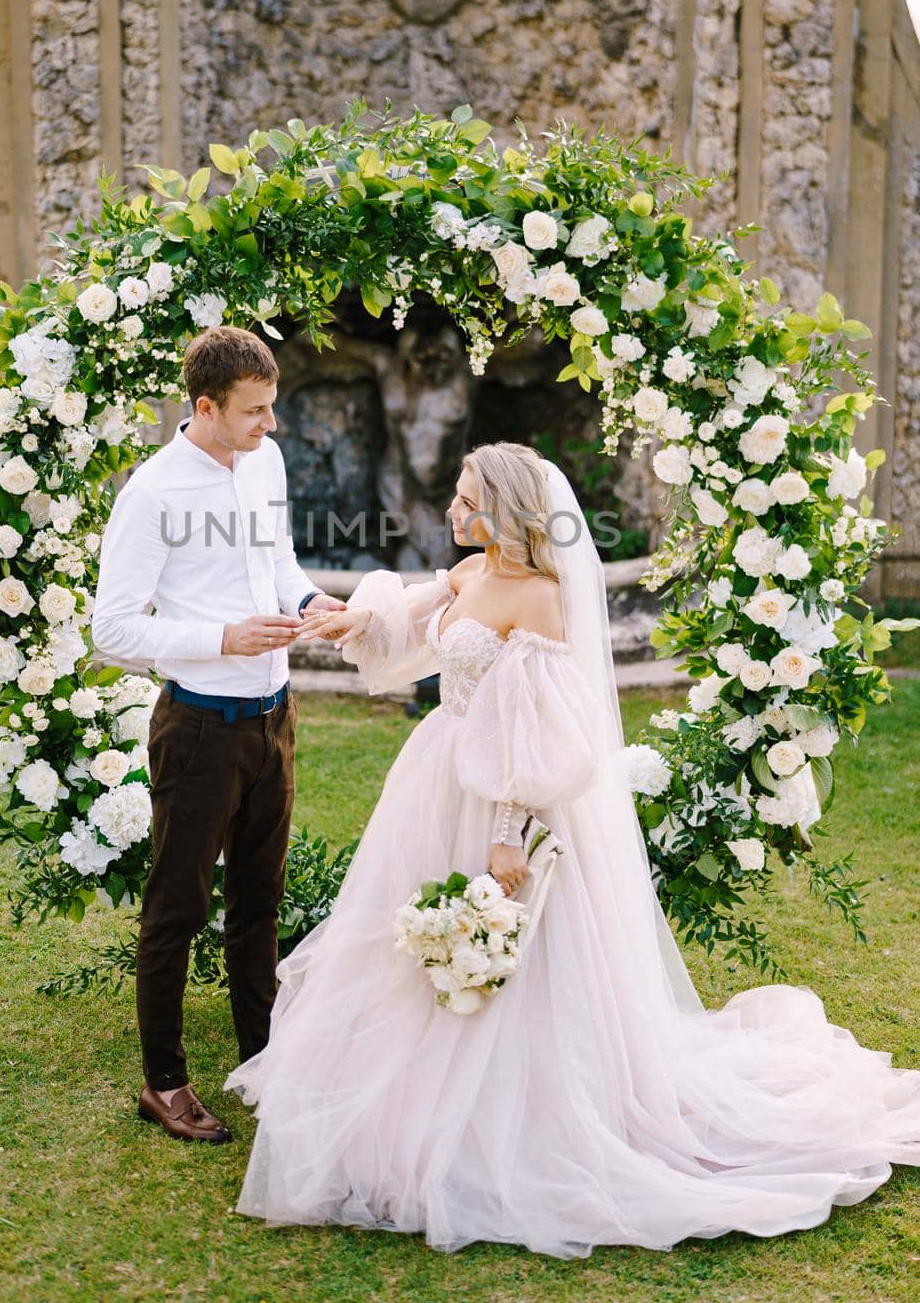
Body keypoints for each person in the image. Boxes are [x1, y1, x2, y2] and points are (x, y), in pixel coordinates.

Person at [223, 441, 920, 1257]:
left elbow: (538, 729)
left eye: (465, 500)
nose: (451, 511)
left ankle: (511, 1112)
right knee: (411, 936)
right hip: (439, 774)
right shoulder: (471, 573)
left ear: (506, 512)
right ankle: (405, 1092)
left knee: (507, 950)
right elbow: (418, 608)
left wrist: (505, 835)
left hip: (498, 794)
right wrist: (358, 617)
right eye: (454, 496)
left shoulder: (542, 601)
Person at [91, 326, 345, 1142]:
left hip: (275, 718)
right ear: (204, 407)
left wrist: (310, 605)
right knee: (177, 906)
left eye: (271, 408)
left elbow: (278, 563)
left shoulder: (263, 463)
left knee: (260, 901)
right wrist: (219, 639)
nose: (269, 426)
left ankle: (261, 1059)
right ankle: (163, 1083)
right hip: (198, 726)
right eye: (254, 412)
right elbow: (112, 630)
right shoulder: (153, 493)